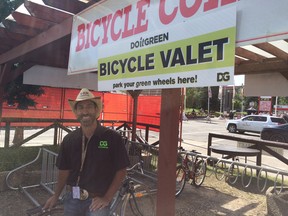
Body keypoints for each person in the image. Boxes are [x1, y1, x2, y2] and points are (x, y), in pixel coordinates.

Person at [43, 88, 130, 216]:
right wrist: (56, 195)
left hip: (97, 199)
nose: (85, 111)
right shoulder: (69, 140)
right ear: (76, 112)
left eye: (89, 106)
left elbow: (121, 170)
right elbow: (64, 170)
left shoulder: (112, 137)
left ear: (96, 110)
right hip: (73, 197)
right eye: (81, 107)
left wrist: (107, 198)